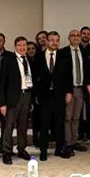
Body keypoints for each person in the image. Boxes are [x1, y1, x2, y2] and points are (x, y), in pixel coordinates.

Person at [34, 30, 72, 160]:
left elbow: (68, 77)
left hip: (60, 95)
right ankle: (43, 151)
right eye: (51, 40)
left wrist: (69, 92)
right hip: (44, 96)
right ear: (46, 41)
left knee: (59, 124)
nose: (54, 43)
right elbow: (34, 77)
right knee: (44, 124)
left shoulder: (64, 56)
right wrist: (35, 95)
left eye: (57, 40)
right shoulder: (38, 57)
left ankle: (59, 149)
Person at [0, 36, 34, 164]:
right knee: (9, 126)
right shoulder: (8, 60)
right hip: (12, 98)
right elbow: (2, 82)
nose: (22, 47)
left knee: (23, 125)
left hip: (27, 95)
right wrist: (2, 103)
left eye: (24, 45)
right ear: (15, 47)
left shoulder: (29, 60)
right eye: (19, 45)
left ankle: (22, 149)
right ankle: (6, 151)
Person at [63, 30, 88, 152]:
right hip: (69, 89)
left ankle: (74, 141)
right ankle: (68, 142)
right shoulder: (63, 52)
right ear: (69, 38)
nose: (76, 37)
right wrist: (67, 91)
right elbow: (62, 74)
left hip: (81, 89)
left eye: (78, 35)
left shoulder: (84, 52)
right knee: (68, 117)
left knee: (77, 117)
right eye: (73, 35)